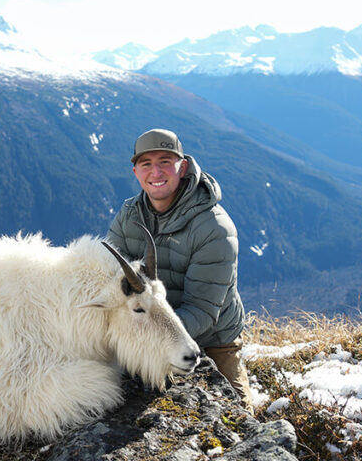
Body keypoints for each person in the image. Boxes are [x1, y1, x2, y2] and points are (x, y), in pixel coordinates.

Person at [107, 128, 255, 411]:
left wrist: (150, 341)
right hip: (147, 324)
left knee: (238, 416)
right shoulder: (129, 215)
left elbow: (202, 312)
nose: (156, 172)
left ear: (182, 166)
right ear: (135, 171)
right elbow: (110, 277)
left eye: (165, 161)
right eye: (146, 164)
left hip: (213, 339)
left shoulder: (214, 228)